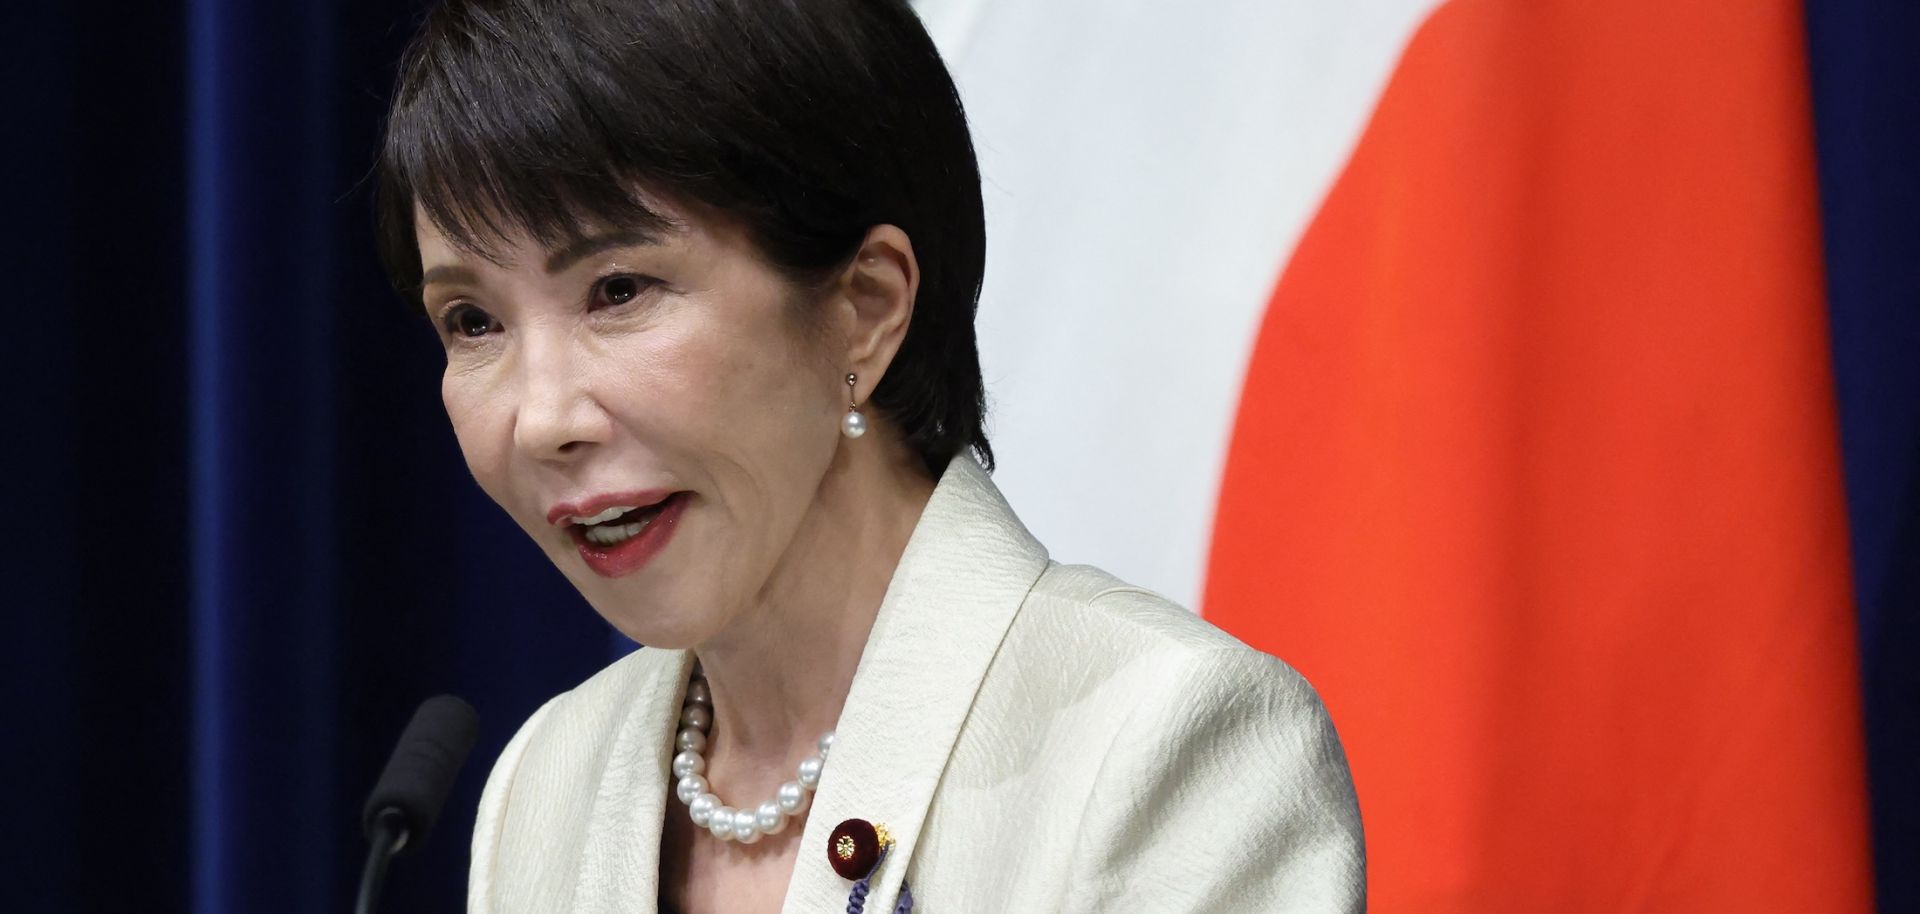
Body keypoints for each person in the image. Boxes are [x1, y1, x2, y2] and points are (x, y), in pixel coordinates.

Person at [375, 0, 1365, 911]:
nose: (540, 419)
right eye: (472, 320)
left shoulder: (1161, 742)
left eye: (618, 289)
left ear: (866, 307)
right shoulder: (549, 780)